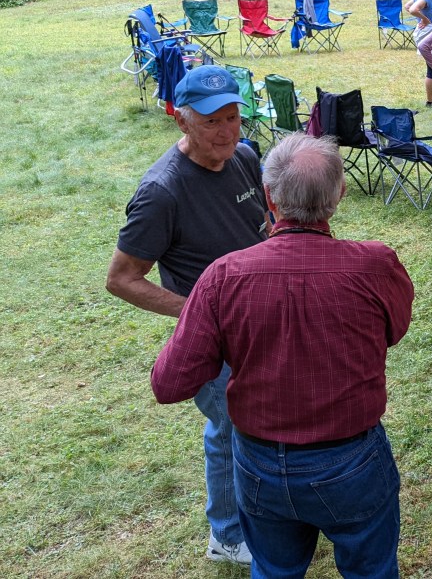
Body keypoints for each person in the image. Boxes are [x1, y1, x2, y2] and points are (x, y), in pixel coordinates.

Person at [151, 134, 414, 579]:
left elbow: (169, 382)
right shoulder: (375, 265)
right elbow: (394, 330)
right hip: (350, 459)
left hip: (259, 465)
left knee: (274, 571)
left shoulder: (224, 277)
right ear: (339, 195)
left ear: (269, 197)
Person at [105, 64, 267, 567]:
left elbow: (262, 223)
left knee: (254, 425)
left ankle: (262, 514)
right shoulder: (162, 192)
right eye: (213, 121)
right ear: (181, 121)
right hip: (216, 343)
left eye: (234, 117)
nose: (227, 132)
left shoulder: (242, 157)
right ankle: (228, 533)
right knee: (230, 430)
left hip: (261, 326)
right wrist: (199, 313)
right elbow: (121, 278)